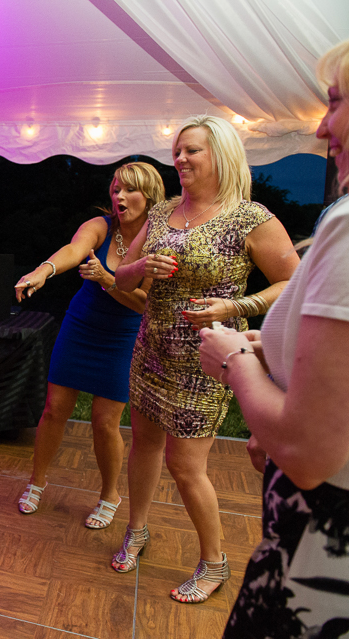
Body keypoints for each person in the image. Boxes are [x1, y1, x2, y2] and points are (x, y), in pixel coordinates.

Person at [111, 115, 300, 603]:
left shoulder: (250, 218)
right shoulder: (163, 212)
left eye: (191, 150)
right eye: (177, 151)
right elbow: (122, 280)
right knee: (144, 446)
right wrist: (140, 265)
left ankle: (214, 562)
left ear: (220, 155)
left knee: (186, 465)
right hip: (150, 351)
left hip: (205, 360)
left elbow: (292, 284)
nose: (180, 159)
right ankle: (136, 530)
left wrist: (238, 306)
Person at [198, 40, 349, 637]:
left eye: (335, 102)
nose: (321, 124)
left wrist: (237, 350)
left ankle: (208, 559)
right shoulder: (164, 215)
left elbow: (312, 451)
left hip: (320, 553)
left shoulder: (267, 219)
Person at [14, 162, 164, 529]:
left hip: (124, 334)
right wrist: (43, 271)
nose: (119, 197)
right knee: (54, 409)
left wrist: (108, 280)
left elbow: (145, 303)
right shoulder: (101, 226)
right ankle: (37, 480)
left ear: (148, 196)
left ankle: (110, 494)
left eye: (129, 190)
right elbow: (73, 248)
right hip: (82, 325)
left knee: (104, 421)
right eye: (115, 189)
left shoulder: (159, 240)